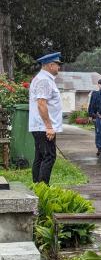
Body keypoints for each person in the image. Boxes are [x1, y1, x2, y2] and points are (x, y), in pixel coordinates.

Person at [29, 52, 64, 184]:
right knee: (49, 157)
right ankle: (43, 189)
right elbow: (41, 104)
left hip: (40, 126)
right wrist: (49, 127)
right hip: (44, 127)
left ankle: (37, 188)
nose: (59, 67)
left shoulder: (43, 79)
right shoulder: (44, 80)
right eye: (57, 64)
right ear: (50, 65)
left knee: (40, 157)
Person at [88, 79, 101, 158]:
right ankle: (100, 148)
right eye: (100, 84)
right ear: (98, 85)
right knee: (99, 133)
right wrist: (91, 115)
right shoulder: (95, 93)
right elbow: (91, 104)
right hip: (97, 116)